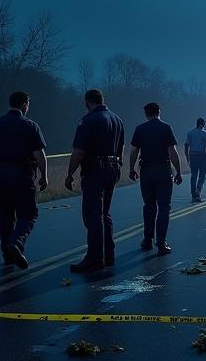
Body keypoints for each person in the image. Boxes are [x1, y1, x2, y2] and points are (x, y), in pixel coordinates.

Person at [0, 91, 48, 270]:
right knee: (28, 214)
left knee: (5, 215)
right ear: (24, 105)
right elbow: (39, 155)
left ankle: (7, 254)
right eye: (28, 104)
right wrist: (44, 176)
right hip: (22, 174)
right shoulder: (31, 125)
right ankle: (16, 243)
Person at [65, 88, 125, 273]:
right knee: (105, 213)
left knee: (93, 216)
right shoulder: (117, 119)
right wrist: (118, 165)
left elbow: (79, 151)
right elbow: (121, 146)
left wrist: (70, 173)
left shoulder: (88, 120)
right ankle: (109, 254)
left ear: (88, 102)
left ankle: (95, 258)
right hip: (112, 169)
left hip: (94, 171)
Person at [129, 102, 183, 254]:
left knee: (149, 206)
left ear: (146, 114)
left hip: (146, 171)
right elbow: (172, 151)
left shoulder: (140, 129)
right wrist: (178, 171)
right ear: (159, 112)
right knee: (164, 207)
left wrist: (131, 169)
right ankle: (161, 243)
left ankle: (147, 240)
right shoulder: (166, 128)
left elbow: (134, 151)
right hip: (163, 170)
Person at [184, 117, 206, 202]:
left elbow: (186, 145)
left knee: (193, 176)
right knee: (202, 176)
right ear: (203, 124)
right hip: (202, 156)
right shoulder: (205, 133)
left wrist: (187, 157)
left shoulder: (190, 133)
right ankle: (198, 192)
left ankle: (193, 195)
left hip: (193, 156)